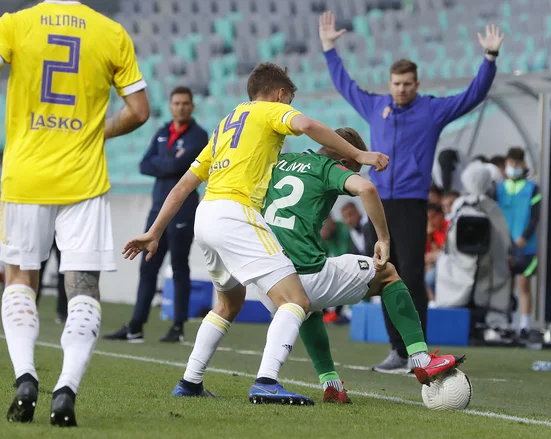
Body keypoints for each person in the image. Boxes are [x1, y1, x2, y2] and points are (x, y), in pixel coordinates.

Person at [121, 63, 388, 406]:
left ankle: (189, 382)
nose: (289, 105)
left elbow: (184, 185)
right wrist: (357, 153)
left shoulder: (225, 126)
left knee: (228, 303)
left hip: (207, 216)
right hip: (237, 215)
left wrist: (154, 231)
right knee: (296, 301)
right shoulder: (269, 111)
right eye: (288, 99)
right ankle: (266, 381)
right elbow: (306, 125)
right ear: (280, 95)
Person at [174, 127, 464, 403]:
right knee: (386, 273)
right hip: (304, 273)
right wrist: (383, 239)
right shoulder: (328, 168)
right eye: (353, 167)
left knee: (307, 307)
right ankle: (420, 358)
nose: (352, 174)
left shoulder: (281, 161)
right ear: (343, 159)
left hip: (265, 277)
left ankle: (331, 383)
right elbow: (366, 190)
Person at [319, 11, 503, 372]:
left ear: (416, 84)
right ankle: (397, 352)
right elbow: (346, 85)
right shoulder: (375, 106)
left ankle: (418, 352)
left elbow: (473, 95)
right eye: (396, 83)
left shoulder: (432, 110)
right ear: (390, 84)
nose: (401, 88)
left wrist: (490, 59)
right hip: (377, 202)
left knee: (413, 277)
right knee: (381, 274)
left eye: (407, 83)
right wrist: (329, 48)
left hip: (410, 204)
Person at [0, 0, 150, 426]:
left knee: (19, 280)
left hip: (25, 177)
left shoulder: (14, 25)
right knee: (82, 288)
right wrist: (93, 131)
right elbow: (139, 111)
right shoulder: (110, 33)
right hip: (84, 181)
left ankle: (26, 378)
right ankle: (66, 389)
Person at [104, 87, 208, 343]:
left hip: (183, 210)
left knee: (179, 265)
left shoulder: (199, 135)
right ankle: (136, 325)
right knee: (147, 266)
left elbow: (170, 165)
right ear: (170, 106)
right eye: (177, 103)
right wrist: (171, 163)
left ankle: (178, 327)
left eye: (186, 103)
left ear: (192, 106)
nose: (181, 107)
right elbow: (144, 164)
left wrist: (165, 164)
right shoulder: (163, 133)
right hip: (157, 209)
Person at [496, 147, 540, 338]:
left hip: (526, 245)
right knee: (506, 286)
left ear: (523, 164)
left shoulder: (532, 188)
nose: (513, 167)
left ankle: (524, 325)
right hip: (503, 245)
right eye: (510, 163)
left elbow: (535, 216)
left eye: (516, 163)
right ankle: (508, 323)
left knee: (524, 285)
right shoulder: (499, 188)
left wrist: (524, 236)